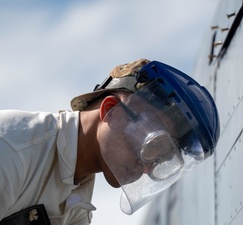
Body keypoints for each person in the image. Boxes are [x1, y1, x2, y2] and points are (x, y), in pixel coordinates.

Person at [0, 59, 220, 225]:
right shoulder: (13, 148)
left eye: (158, 160)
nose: (146, 167)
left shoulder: (77, 206)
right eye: (151, 145)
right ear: (110, 110)